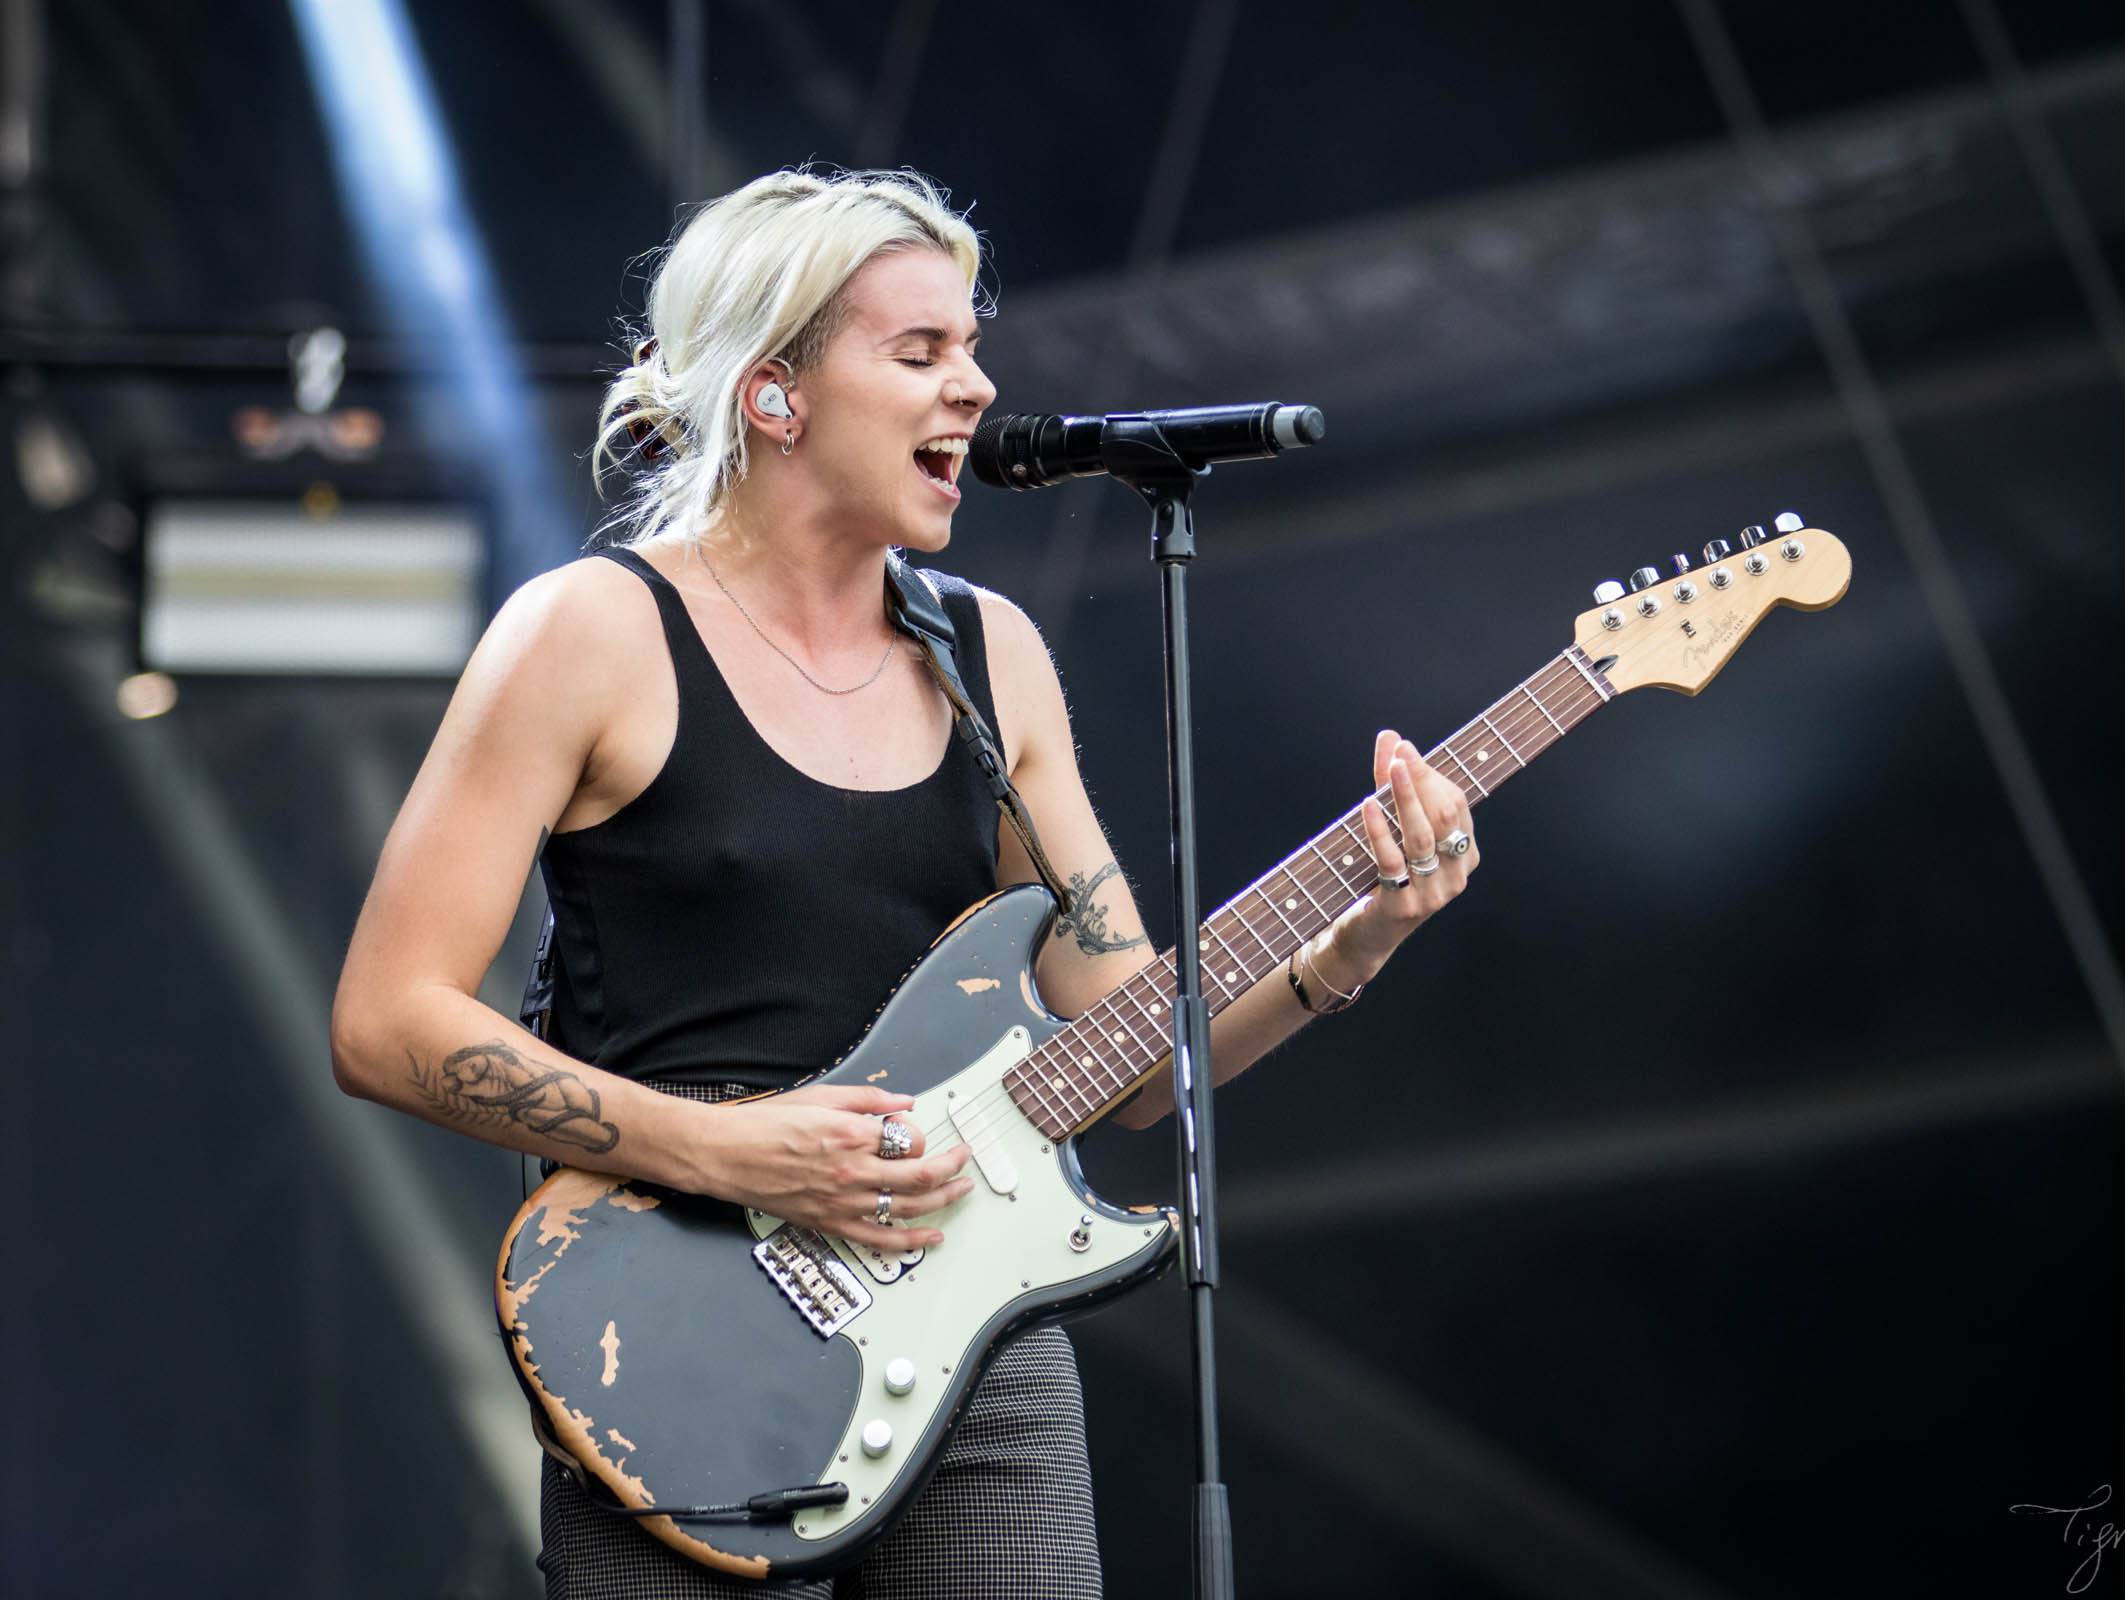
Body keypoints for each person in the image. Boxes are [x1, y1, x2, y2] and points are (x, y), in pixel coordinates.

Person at [329, 167, 1480, 1600]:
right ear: (775, 395)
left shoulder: (985, 654)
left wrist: (1350, 940)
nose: (976, 390)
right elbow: (387, 1020)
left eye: (972, 351)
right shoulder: (591, 634)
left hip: (973, 1341)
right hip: (676, 1343)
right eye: (921, 353)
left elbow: (1127, 1057)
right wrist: (733, 1149)